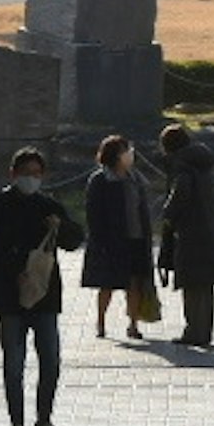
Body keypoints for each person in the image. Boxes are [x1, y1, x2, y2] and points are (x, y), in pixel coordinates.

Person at [0, 146, 77, 426]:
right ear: (12, 174)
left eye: (36, 174)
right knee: (14, 361)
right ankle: (16, 422)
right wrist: (11, 273)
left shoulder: (48, 205)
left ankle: (44, 419)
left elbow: (74, 240)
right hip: (9, 294)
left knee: (51, 360)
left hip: (44, 293)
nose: (31, 179)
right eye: (25, 174)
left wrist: (61, 226)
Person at [157, 122, 214, 349]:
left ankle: (193, 331)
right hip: (212, 228)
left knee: (191, 284)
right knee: (205, 285)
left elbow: (181, 193)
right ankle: (205, 331)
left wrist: (168, 213)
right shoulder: (205, 164)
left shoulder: (182, 166)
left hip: (191, 232)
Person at [82, 133, 155, 338]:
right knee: (108, 284)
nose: (130, 155)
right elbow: (93, 213)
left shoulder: (135, 177)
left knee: (135, 283)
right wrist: (100, 239)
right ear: (116, 155)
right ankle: (101, 322)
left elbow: (142, 208)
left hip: (137, 237)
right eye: (126, 151)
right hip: (111, 240)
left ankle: (133, 323)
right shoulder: (100, 180)